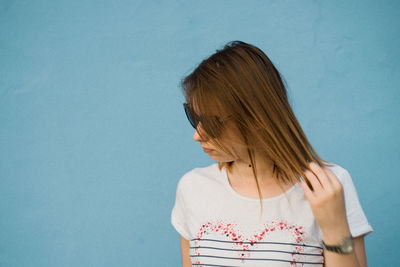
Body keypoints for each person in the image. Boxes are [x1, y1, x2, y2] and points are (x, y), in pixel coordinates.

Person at [171, 41, 373, 267]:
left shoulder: (328, 186)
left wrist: (335, 227)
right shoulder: (192, 188)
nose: (198, 135)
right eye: (194, 117)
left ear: (256, 119)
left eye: (211, 123)